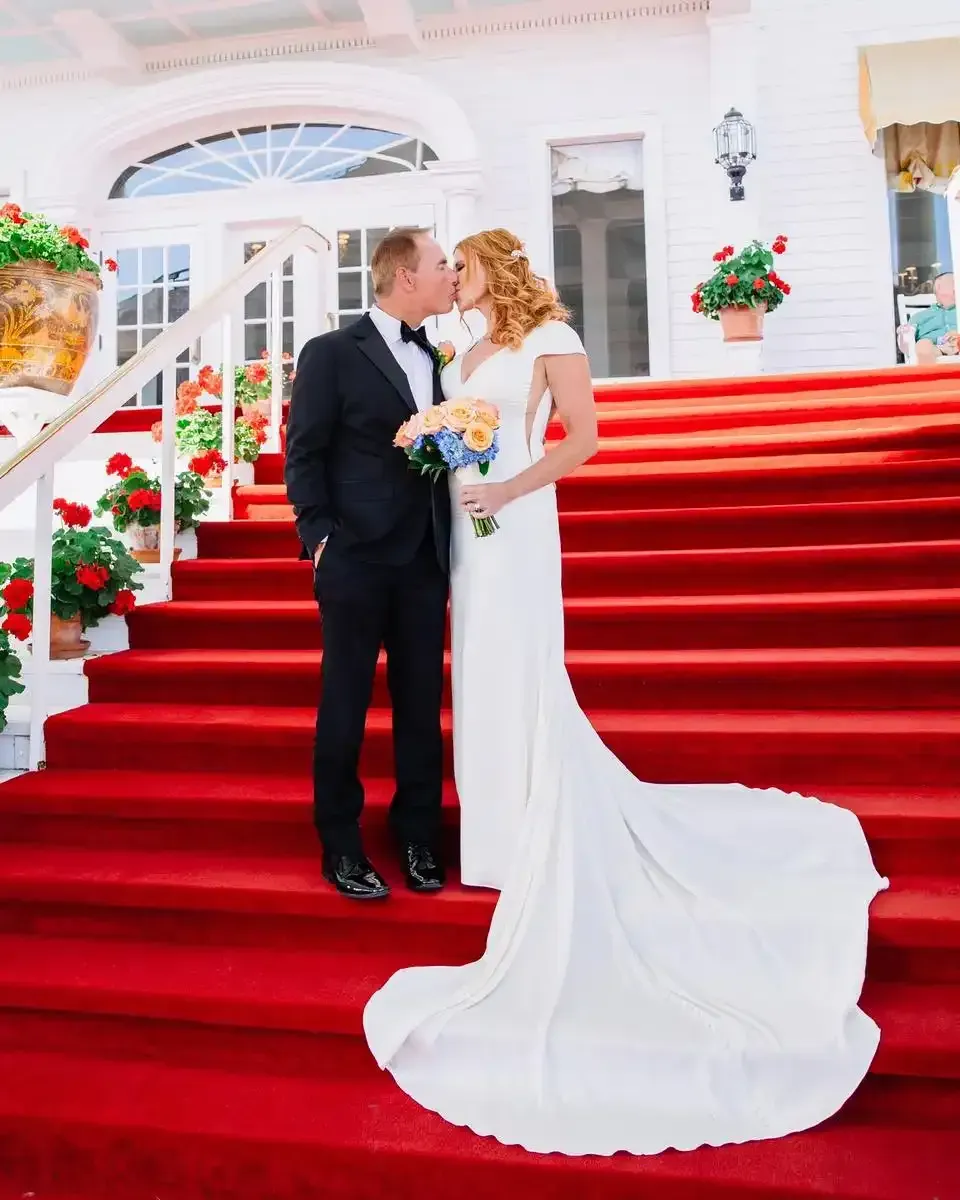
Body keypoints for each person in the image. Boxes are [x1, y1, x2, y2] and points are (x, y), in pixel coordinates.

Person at [363, 228, 888, 1156]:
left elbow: (588, 442)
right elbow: (451, 433)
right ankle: (492, 834)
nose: (453, 278)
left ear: (494, 269)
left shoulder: (549, 341)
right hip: (465, 533)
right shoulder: (461, 349)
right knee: (476, 675)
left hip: (515, 525)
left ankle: (537, 829)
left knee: (519, 669)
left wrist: (510, 490)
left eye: (464, 266)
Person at [284, 228, 458, 900]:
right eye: (442, 264)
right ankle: (341, 845)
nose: (452, 273)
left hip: (424, 558)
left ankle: (418, 838)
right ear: (404, 277)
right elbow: (304, 451)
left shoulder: (442, 360)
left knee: (421, 706)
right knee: (345, 705)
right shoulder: (331, 352)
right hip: (354, 556)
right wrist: (319, 535)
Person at [908, 271, 957, 364]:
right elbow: (906, 338)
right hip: (935, 349)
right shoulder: (919, 316)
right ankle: (931, 376)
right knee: (923, 345)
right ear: (938, 287)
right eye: (952, 283)